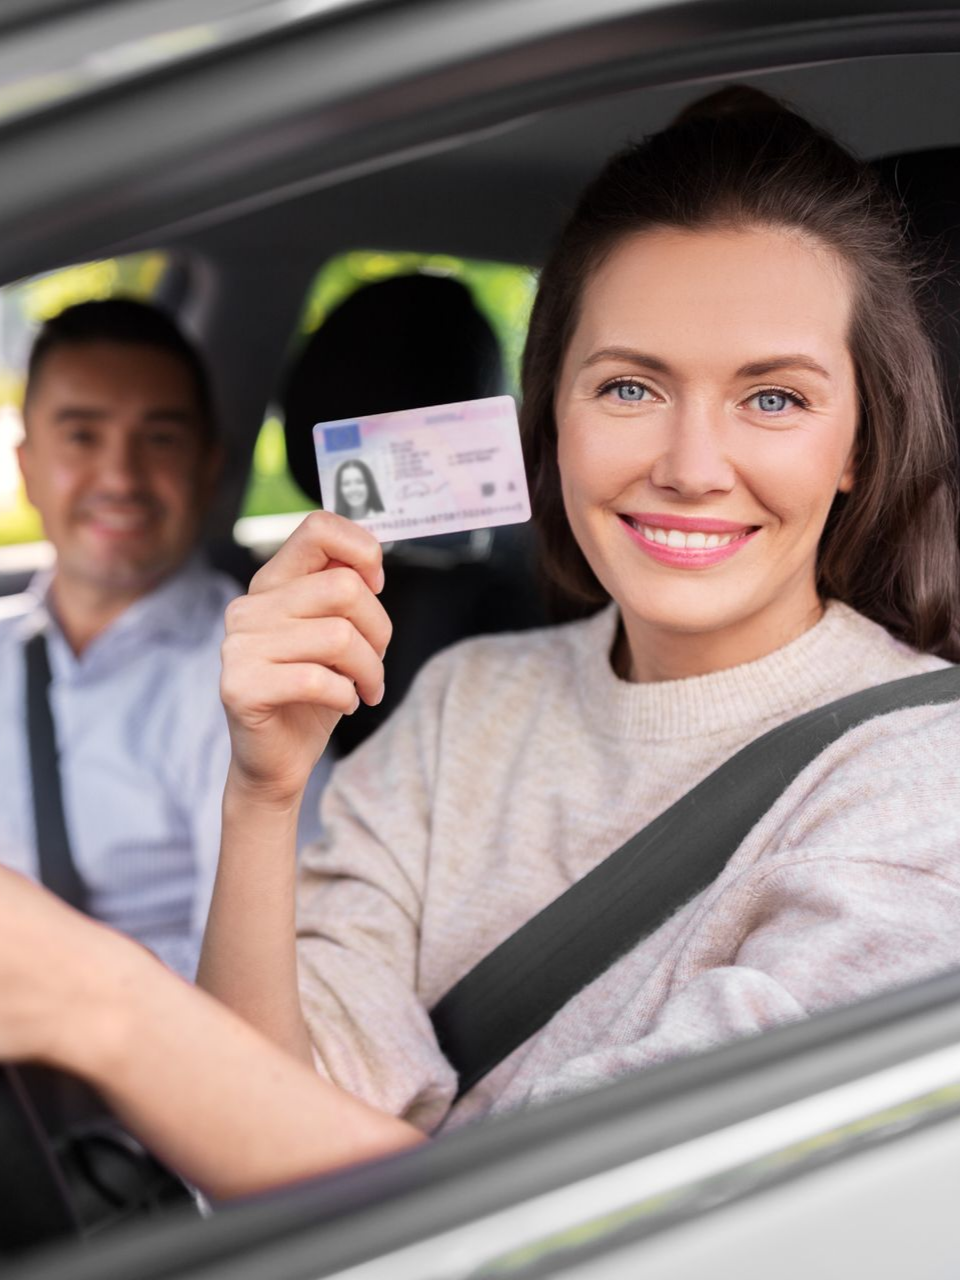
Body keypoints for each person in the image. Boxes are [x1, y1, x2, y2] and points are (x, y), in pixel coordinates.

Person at [2, 87, 960, 1201]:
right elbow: (266, 1125)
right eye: (632, 385)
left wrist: (104, 1004)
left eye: (776, 399)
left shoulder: (919, 784)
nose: (693, 462)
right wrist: (262, 791)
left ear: (859, 443)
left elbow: (579, 1228)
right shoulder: (466, 693)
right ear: (552, 417)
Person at [0, 298, 327, 980]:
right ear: (28, 466)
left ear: (208, 466)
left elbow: (258, 991)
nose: (119, 478)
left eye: (160, 439)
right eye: (82, 437)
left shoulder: (256, 686)